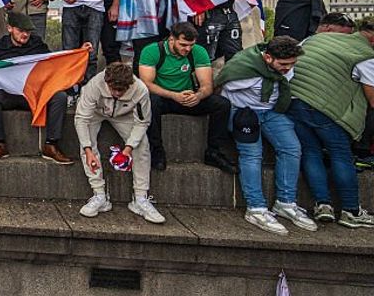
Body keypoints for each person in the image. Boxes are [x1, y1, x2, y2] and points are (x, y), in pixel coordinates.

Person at [216, 37, 316, 236]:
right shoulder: (243, 71)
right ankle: (256, 208)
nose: (288, 69)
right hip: (244, 112)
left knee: (291, 148)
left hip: (271, 112)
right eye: (283, 64)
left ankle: (285, 203)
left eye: (292, 64)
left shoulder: (283, 69)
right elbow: (220, 87)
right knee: (252, 155)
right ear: (268, 58)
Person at [287, 22, 374, 227]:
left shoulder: (314, 38)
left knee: (310, 152)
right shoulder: (366, 57)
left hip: (294, 100)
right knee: (341, 154)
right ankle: (351, 211)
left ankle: (322, 205)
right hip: (325, 109)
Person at [0, 11, 80, 164]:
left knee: (60, 97)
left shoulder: (37, 44)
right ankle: (0, 144)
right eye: (21, 30)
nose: (25, 34)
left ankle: (51, 145)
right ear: (10, 28)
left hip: (33, 94)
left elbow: (54, 63)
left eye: (28, 31)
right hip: (9, 95)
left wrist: (79, 54)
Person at [138, 22, 236, 172]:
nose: (187, 49)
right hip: (164, 97)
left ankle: (214, 152)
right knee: (150, 102)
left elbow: (207, 85)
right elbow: (146, 84)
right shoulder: (152, 51)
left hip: (188, 97)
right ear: (172, 39)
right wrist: (173, 95)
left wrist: (198, 95)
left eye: (191, 45)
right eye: (183, 45)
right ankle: (156, 151)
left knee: (222, 104)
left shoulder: (198, 51)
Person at [75, 62, 164, 223]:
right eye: (113, 89)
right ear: (107, 82)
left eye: (121, 90)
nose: (116, 94)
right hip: (97, 111)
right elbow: (81, 118)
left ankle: (140, 198)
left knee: (142, 145)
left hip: (125, 115)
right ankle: (99, 195)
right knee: (86, 142)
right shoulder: (94, 85)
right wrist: (88, 150)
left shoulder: (140, 90)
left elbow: (143, 122)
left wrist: (128, 148)